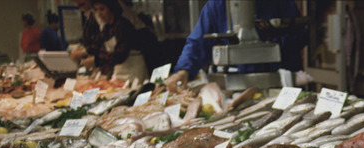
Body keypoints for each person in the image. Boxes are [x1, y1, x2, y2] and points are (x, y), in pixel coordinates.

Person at [167, 0, 305, 92]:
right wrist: (183, 70)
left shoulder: (279, 3)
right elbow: (198, 42)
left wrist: (275, 39)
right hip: (235, 87)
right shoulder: (216, 5)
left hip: (280, 84)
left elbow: (299, 35)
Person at [81, 0, 148, 82]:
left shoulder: (123, 25)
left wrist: (97, 61)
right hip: (119, 70)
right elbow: (103, 51)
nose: (99, 14)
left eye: (102, 9)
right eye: (96, 10)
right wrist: (100, 69)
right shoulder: (106, 29)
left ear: (111, 8)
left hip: (134, 70)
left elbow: (120, 54)